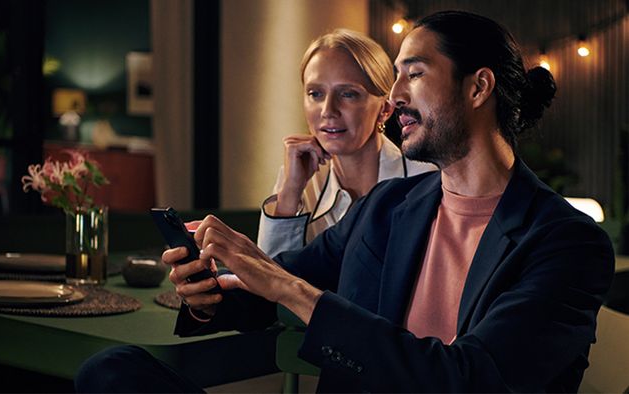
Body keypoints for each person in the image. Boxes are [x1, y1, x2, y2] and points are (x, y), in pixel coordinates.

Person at [75, 10, 614, 393]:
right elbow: (271, 289)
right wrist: (208, 291)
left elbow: (469, 378)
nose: (396, 95)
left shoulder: (567, 242)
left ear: (478, 89)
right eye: (395, 75)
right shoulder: (390, 206)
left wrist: (286, 285)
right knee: (115, 371)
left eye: (416, 75)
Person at [257, 29, 435, 257]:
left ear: (385, 110)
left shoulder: (425, 179)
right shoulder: (297, 179)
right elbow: (268, 282)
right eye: (315, 94)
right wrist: (290, 192)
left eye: (348, 94)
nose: (328, 111)